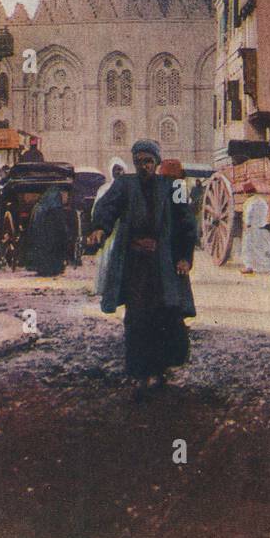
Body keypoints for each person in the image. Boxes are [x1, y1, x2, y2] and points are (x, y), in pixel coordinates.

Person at [87, 139, 196, 399]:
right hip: (135, 265)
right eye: (139, 162)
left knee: (162, 316)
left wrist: (184, 257)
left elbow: (186, 222)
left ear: (157, 163)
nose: (144, 166)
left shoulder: (174, 186)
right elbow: (108, 207)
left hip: (163, 265)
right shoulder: (125, 184)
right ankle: (139, 374)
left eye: (148, 161)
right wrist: (100, 227)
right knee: (136, 317)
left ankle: (159, 371)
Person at [92, 158, 127, 297]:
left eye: (120, 169)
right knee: (107, 259)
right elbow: (97, 209)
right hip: (108, 231)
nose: (118, 172)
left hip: (122, 230)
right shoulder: (104, 189)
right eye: (115, 169)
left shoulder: (128, 188)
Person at [24, 184, 71, 276]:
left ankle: (43, 267)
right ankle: (54, 267)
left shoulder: (39, 208)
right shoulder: (56, 209)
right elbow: (61, 226)